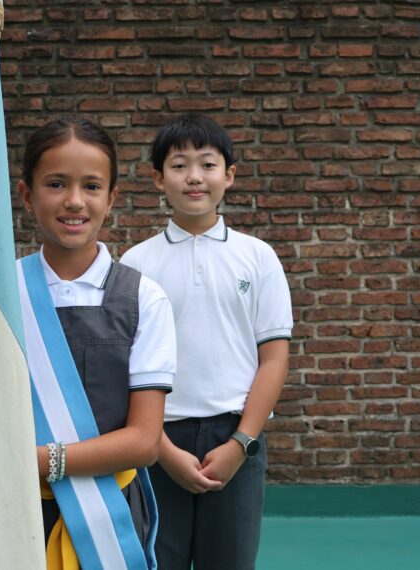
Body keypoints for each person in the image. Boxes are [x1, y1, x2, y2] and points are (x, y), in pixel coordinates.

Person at [120, 112, 293, 570]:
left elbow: (274, 359)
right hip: (158, 437)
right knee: (157, 560)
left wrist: (242, 442)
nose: (194, 177)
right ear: (158, 178)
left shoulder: (257, 257)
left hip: (236, 434)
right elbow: (127, 368)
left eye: (208, 164)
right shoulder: (135, 263)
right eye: (178, 165)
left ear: (229, 175)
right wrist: (161, 449)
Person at [15, 116, 177, 569]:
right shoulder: (1, 295)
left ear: (112, 198)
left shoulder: (144, 298)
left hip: (109, 510)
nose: (73, 201)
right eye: (55, 184)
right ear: (26, 194)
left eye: (91, 186)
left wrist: (38, 461)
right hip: (15, 512)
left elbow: (144, 441)